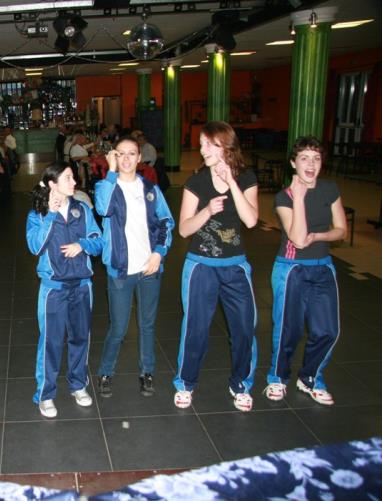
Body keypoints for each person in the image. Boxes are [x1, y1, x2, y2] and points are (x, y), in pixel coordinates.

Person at [173, 121, 259, 412]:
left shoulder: (246, 178)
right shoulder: (196, 182)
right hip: (200, 265)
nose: (203, 150)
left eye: (209, 144)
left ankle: (241, 384)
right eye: (201, 144)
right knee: (195, 329)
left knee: (244, 328)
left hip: (235, 266)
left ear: (226, 145)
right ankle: (185, 383)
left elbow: (251, 220)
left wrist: (232, 183)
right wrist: (207, 210)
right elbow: (184, 229)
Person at [264, 137, 346, 406]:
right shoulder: (284, 197)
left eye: (316, 158)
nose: (311, 165)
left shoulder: (330, 189)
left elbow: (341, 230)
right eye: (304, 158)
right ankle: (277, 377)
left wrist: (319, 236)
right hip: (292, 269)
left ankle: (310, 377)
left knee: (328, 331)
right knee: (289, 331)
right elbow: (298, 239)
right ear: (293, 163)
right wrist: (299, 197)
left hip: (323, 268)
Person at [95, 137, 174, 397]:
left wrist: (159, 253)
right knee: (118, 327)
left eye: (132, 154)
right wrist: (111, 172)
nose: (127, 159)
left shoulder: (150, 189)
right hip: (120, 269)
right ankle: (106, 372)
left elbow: (166, 222)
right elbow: (103, 208)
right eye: (121, 154)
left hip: (149, 268)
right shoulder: (106, 186)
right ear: (114, 157)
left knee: (147, 324)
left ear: (139, 158)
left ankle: (147, 372)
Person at [26, 163, 103, 418]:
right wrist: (50, 214)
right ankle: (45, 394)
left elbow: (99, 241)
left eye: (73, 178)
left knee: (80, 338)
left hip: (82, 286)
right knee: (51, 342)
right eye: (68, 178)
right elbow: (35, 247)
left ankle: (78, 385)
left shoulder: (82, 209)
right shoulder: (37, 214)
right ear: (52, 184)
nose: (74, 182)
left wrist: (83, 245)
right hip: (54, 290)